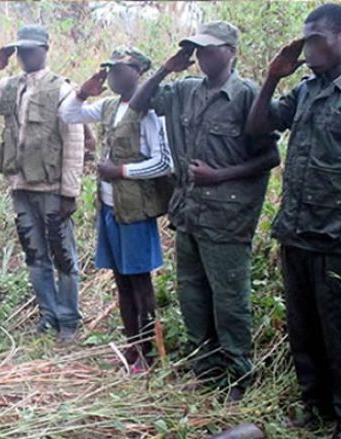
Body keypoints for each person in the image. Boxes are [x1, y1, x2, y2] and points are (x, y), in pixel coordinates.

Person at [129, 21, 280, 399]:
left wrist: (220, 175)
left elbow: (270, 157)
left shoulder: (246, 95)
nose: (201, 56)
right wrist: (166, 68)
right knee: (193, 298)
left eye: (209, 49)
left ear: (231, 51)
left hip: (227, 220)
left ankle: (239, 377)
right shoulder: (184, 90)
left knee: (229, 301)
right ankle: (205, 369)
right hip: (189, 215)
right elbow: (138, 103)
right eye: (197, 48)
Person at [246, 4, 341, 433]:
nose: (309, 48)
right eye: (306, 39)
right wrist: (271, 77)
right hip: (297, 234)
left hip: (335, 240)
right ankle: (314, 406)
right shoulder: (304, 91)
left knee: (339, 336)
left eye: (318, 38)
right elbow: (257, 128)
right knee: (305, 333)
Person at [0, 24, 85, 343]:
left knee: (64, 258)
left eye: (32, 49)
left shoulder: (62, 89)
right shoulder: (11, 87)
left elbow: (74, 142)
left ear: (45, 49)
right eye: (21, 50)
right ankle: (49, 315)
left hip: (53, 189)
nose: (26, 55)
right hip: (21, 187)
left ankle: (69, 320)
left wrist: (70, 192)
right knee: (35, 256)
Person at [60, 47, 173, 372]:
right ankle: (132, 347)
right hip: (110, 209)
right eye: (109, 69)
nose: (112, 75)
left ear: (138, 71)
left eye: (119, 69)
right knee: (122, 282)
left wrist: (122, 172)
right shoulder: (110, 106)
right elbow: (69, 114)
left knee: (140, 283)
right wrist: (83, 91)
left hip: (134, 212)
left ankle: (149, 354)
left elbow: (164, 162)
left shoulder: (149, 112)